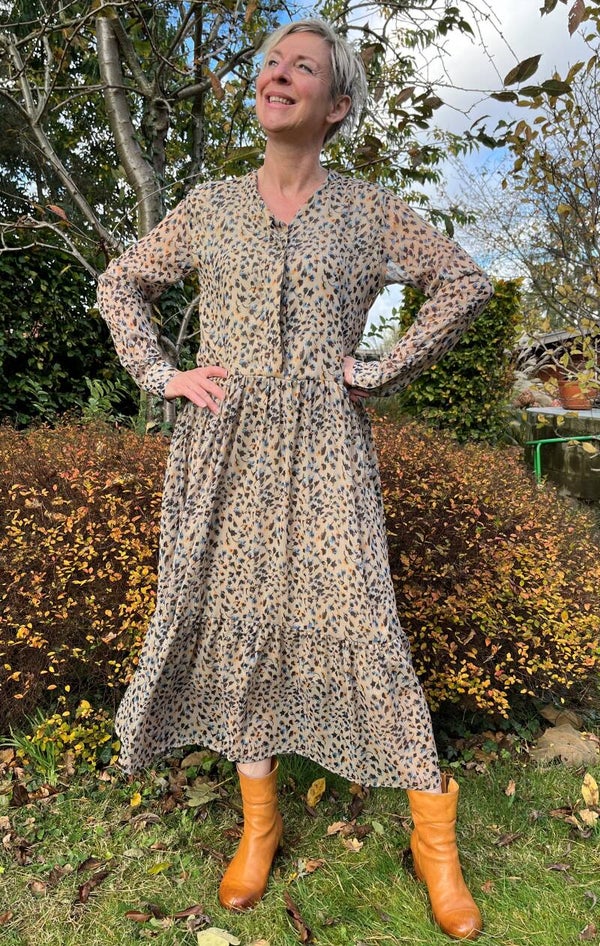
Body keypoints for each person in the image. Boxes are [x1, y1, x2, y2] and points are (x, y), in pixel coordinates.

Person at [97, 18, 493, 941]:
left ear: (336, 104)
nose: (276, 75)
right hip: (224, 445)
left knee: (367, 621)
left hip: (325, 446)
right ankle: (260, 826)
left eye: (301, 67)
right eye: (271, 62)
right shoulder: (209, 206)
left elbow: (463, 283)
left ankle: (434, 843)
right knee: (239, 620)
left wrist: (380, 369)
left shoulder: (367, 210)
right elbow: (120, 284)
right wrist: (163, 374)